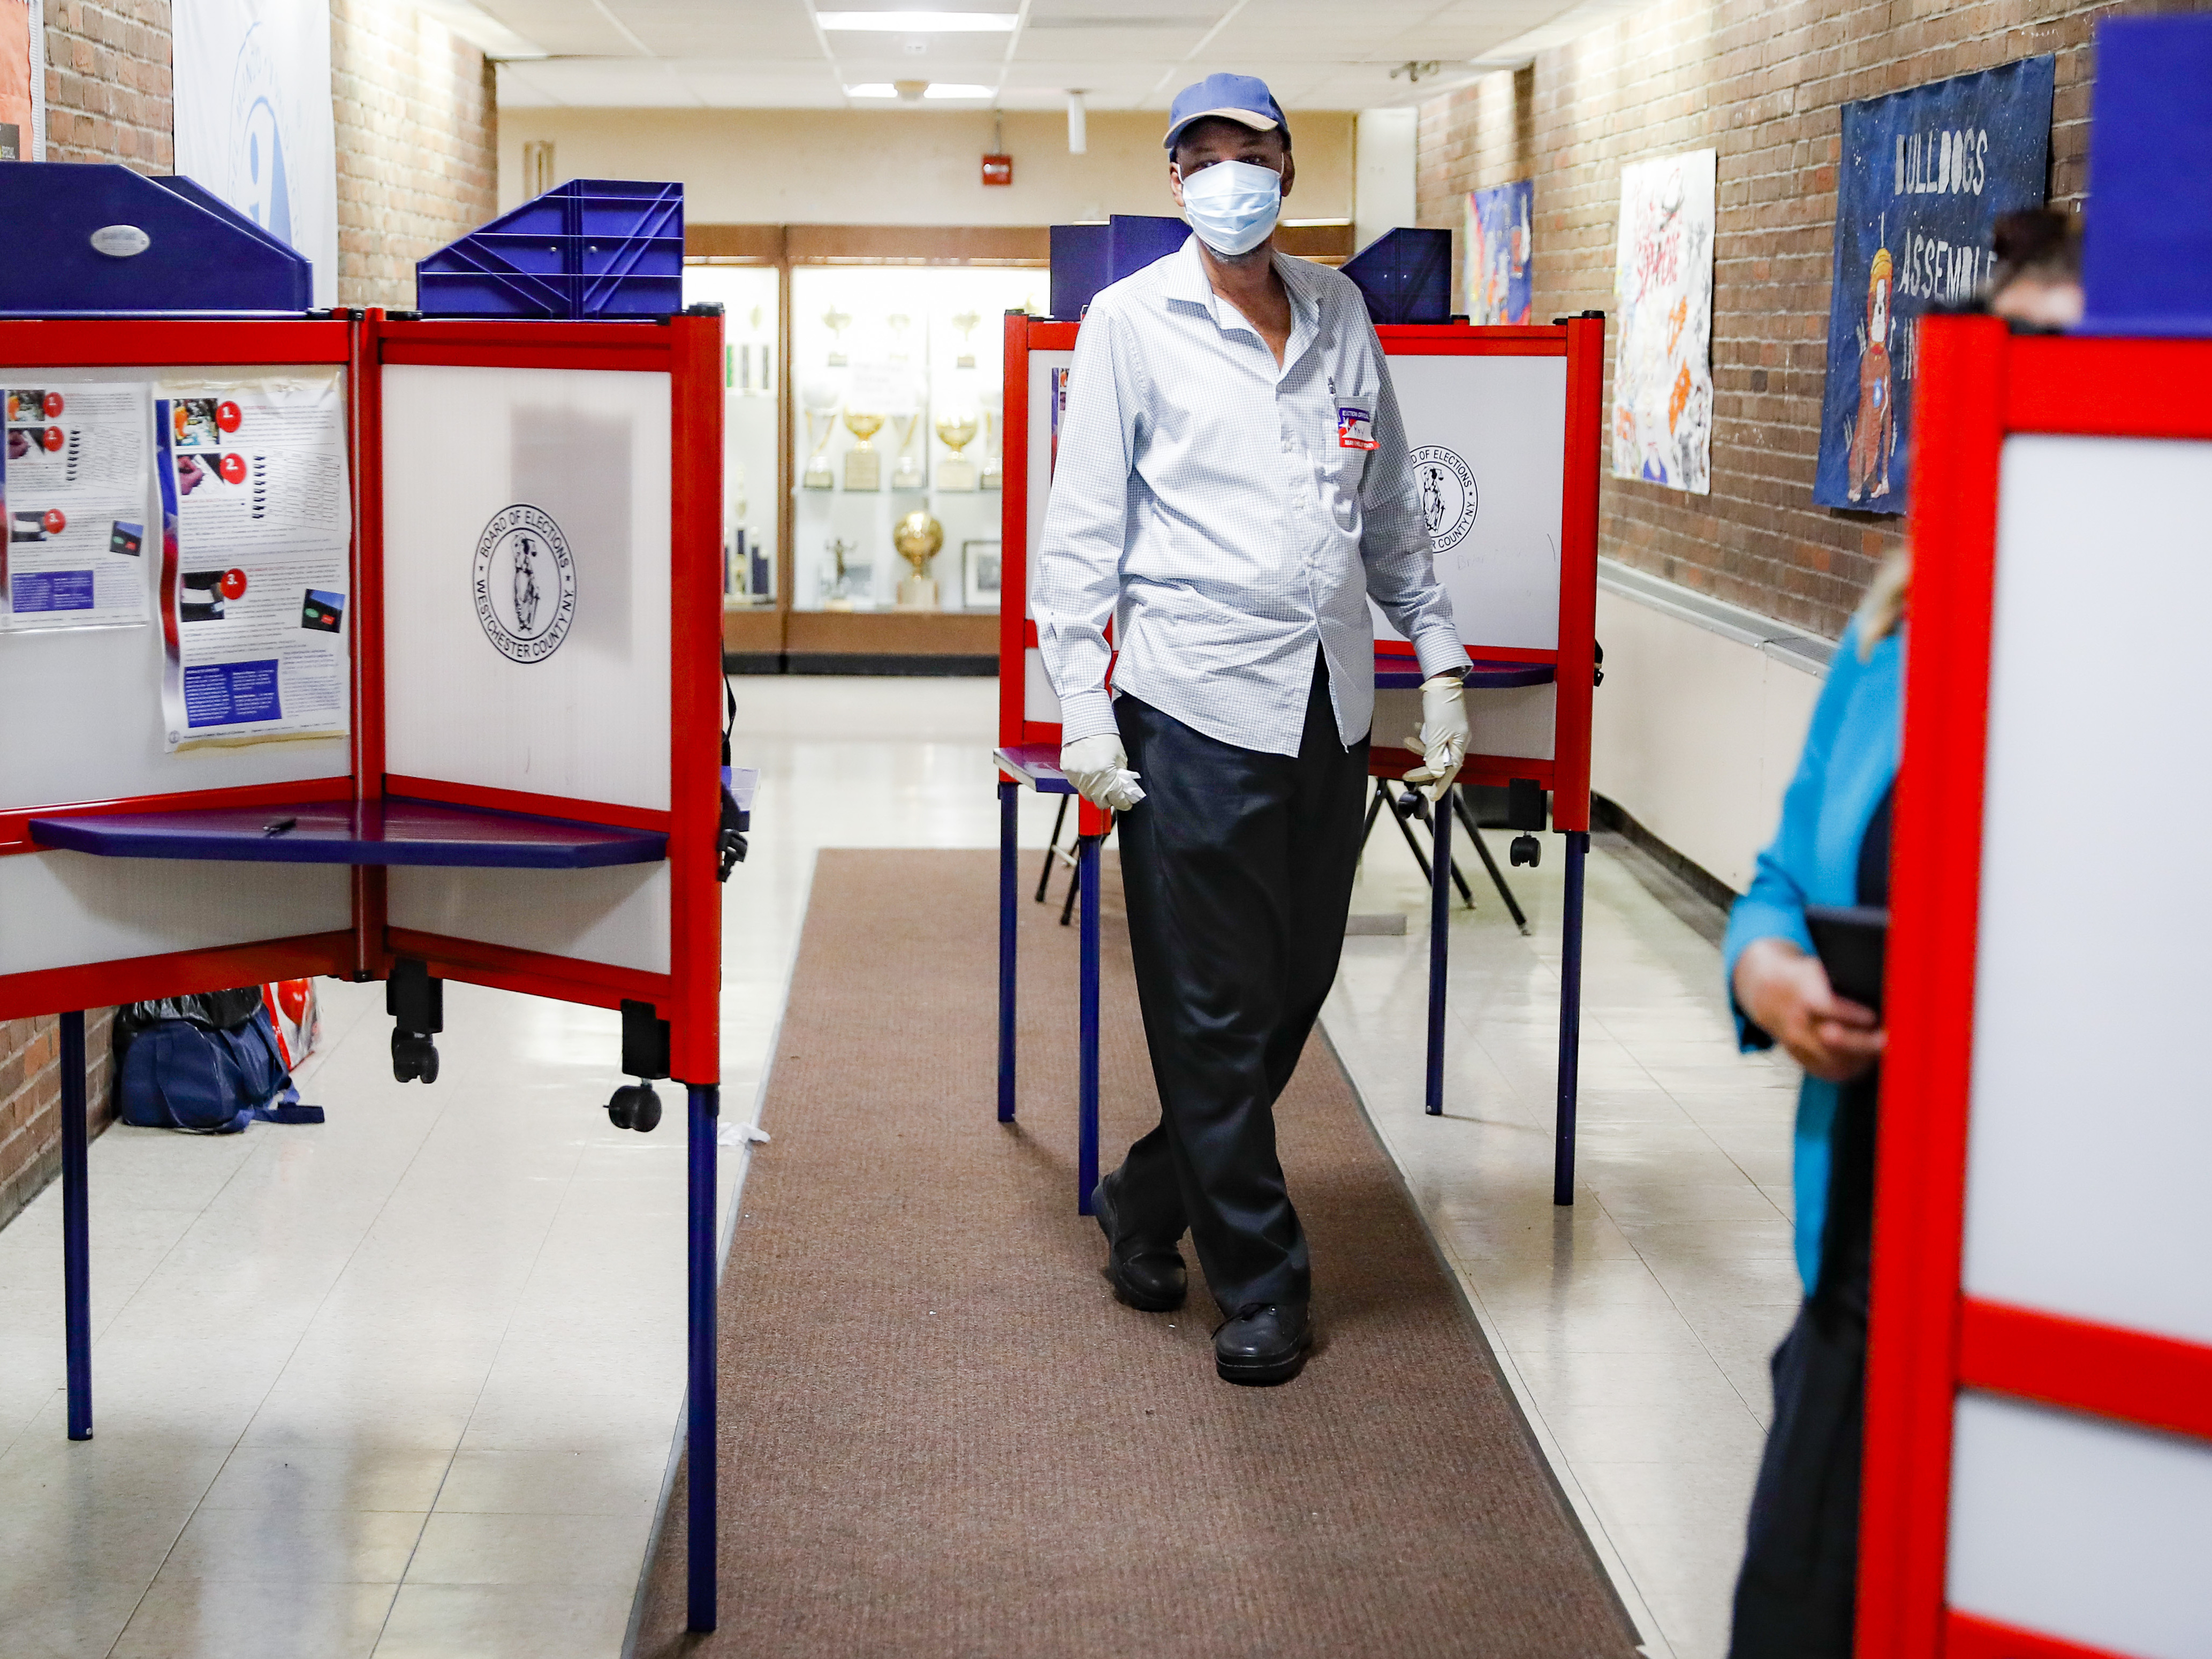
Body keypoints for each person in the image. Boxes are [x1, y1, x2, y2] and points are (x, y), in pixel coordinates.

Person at [1035, 72, 1471, 1387]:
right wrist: (1080, 708)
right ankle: (1264, 1283)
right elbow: (1081, 535)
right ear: (1174, 178)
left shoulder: (1340, 313)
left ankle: (1145, 1195)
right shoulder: (1128, 321)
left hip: (1329, 706)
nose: (1234, 175)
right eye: (1206, 154)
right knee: (1213, 1009)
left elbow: (1386, 511)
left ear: (1289, 168)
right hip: (1191, 709)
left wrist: (1436, 659)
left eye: (1256, 152)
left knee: (1291, 991)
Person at [1723, 206, 2081, 1656]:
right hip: (1866, 1257)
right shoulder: (1889, 638)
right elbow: (1774, 875)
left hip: (2049, 1278)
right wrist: (1767, 967)